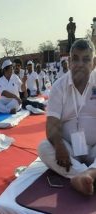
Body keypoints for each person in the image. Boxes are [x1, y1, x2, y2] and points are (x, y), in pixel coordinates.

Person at [38, 39, 96, 196]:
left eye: (86, 59)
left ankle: (85, 175)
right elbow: (51, 125)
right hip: (69, 149)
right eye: (75, 58)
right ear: (69, 62)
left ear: (94, 63)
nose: (80, 64)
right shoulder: (59, 86)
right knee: (44, 148)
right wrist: (58, 145)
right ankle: (87, 174)